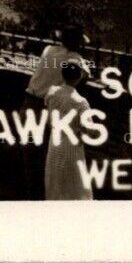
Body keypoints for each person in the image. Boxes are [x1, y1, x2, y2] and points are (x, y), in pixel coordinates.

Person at [22, 25, 90, 198]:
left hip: (30, 102)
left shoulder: (48, 50)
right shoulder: (75, 59)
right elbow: (83, 75)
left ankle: (32, 196)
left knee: (31, 158)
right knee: (47, 160)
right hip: (47, 107)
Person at [44, 60, 94, 200]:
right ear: (79, 77)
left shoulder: (52, 93)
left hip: (54, 145)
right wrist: (81, 133)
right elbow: (91, 130)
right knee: (75, 188)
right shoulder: (80, 102)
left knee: (55, 184)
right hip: (71, 147)